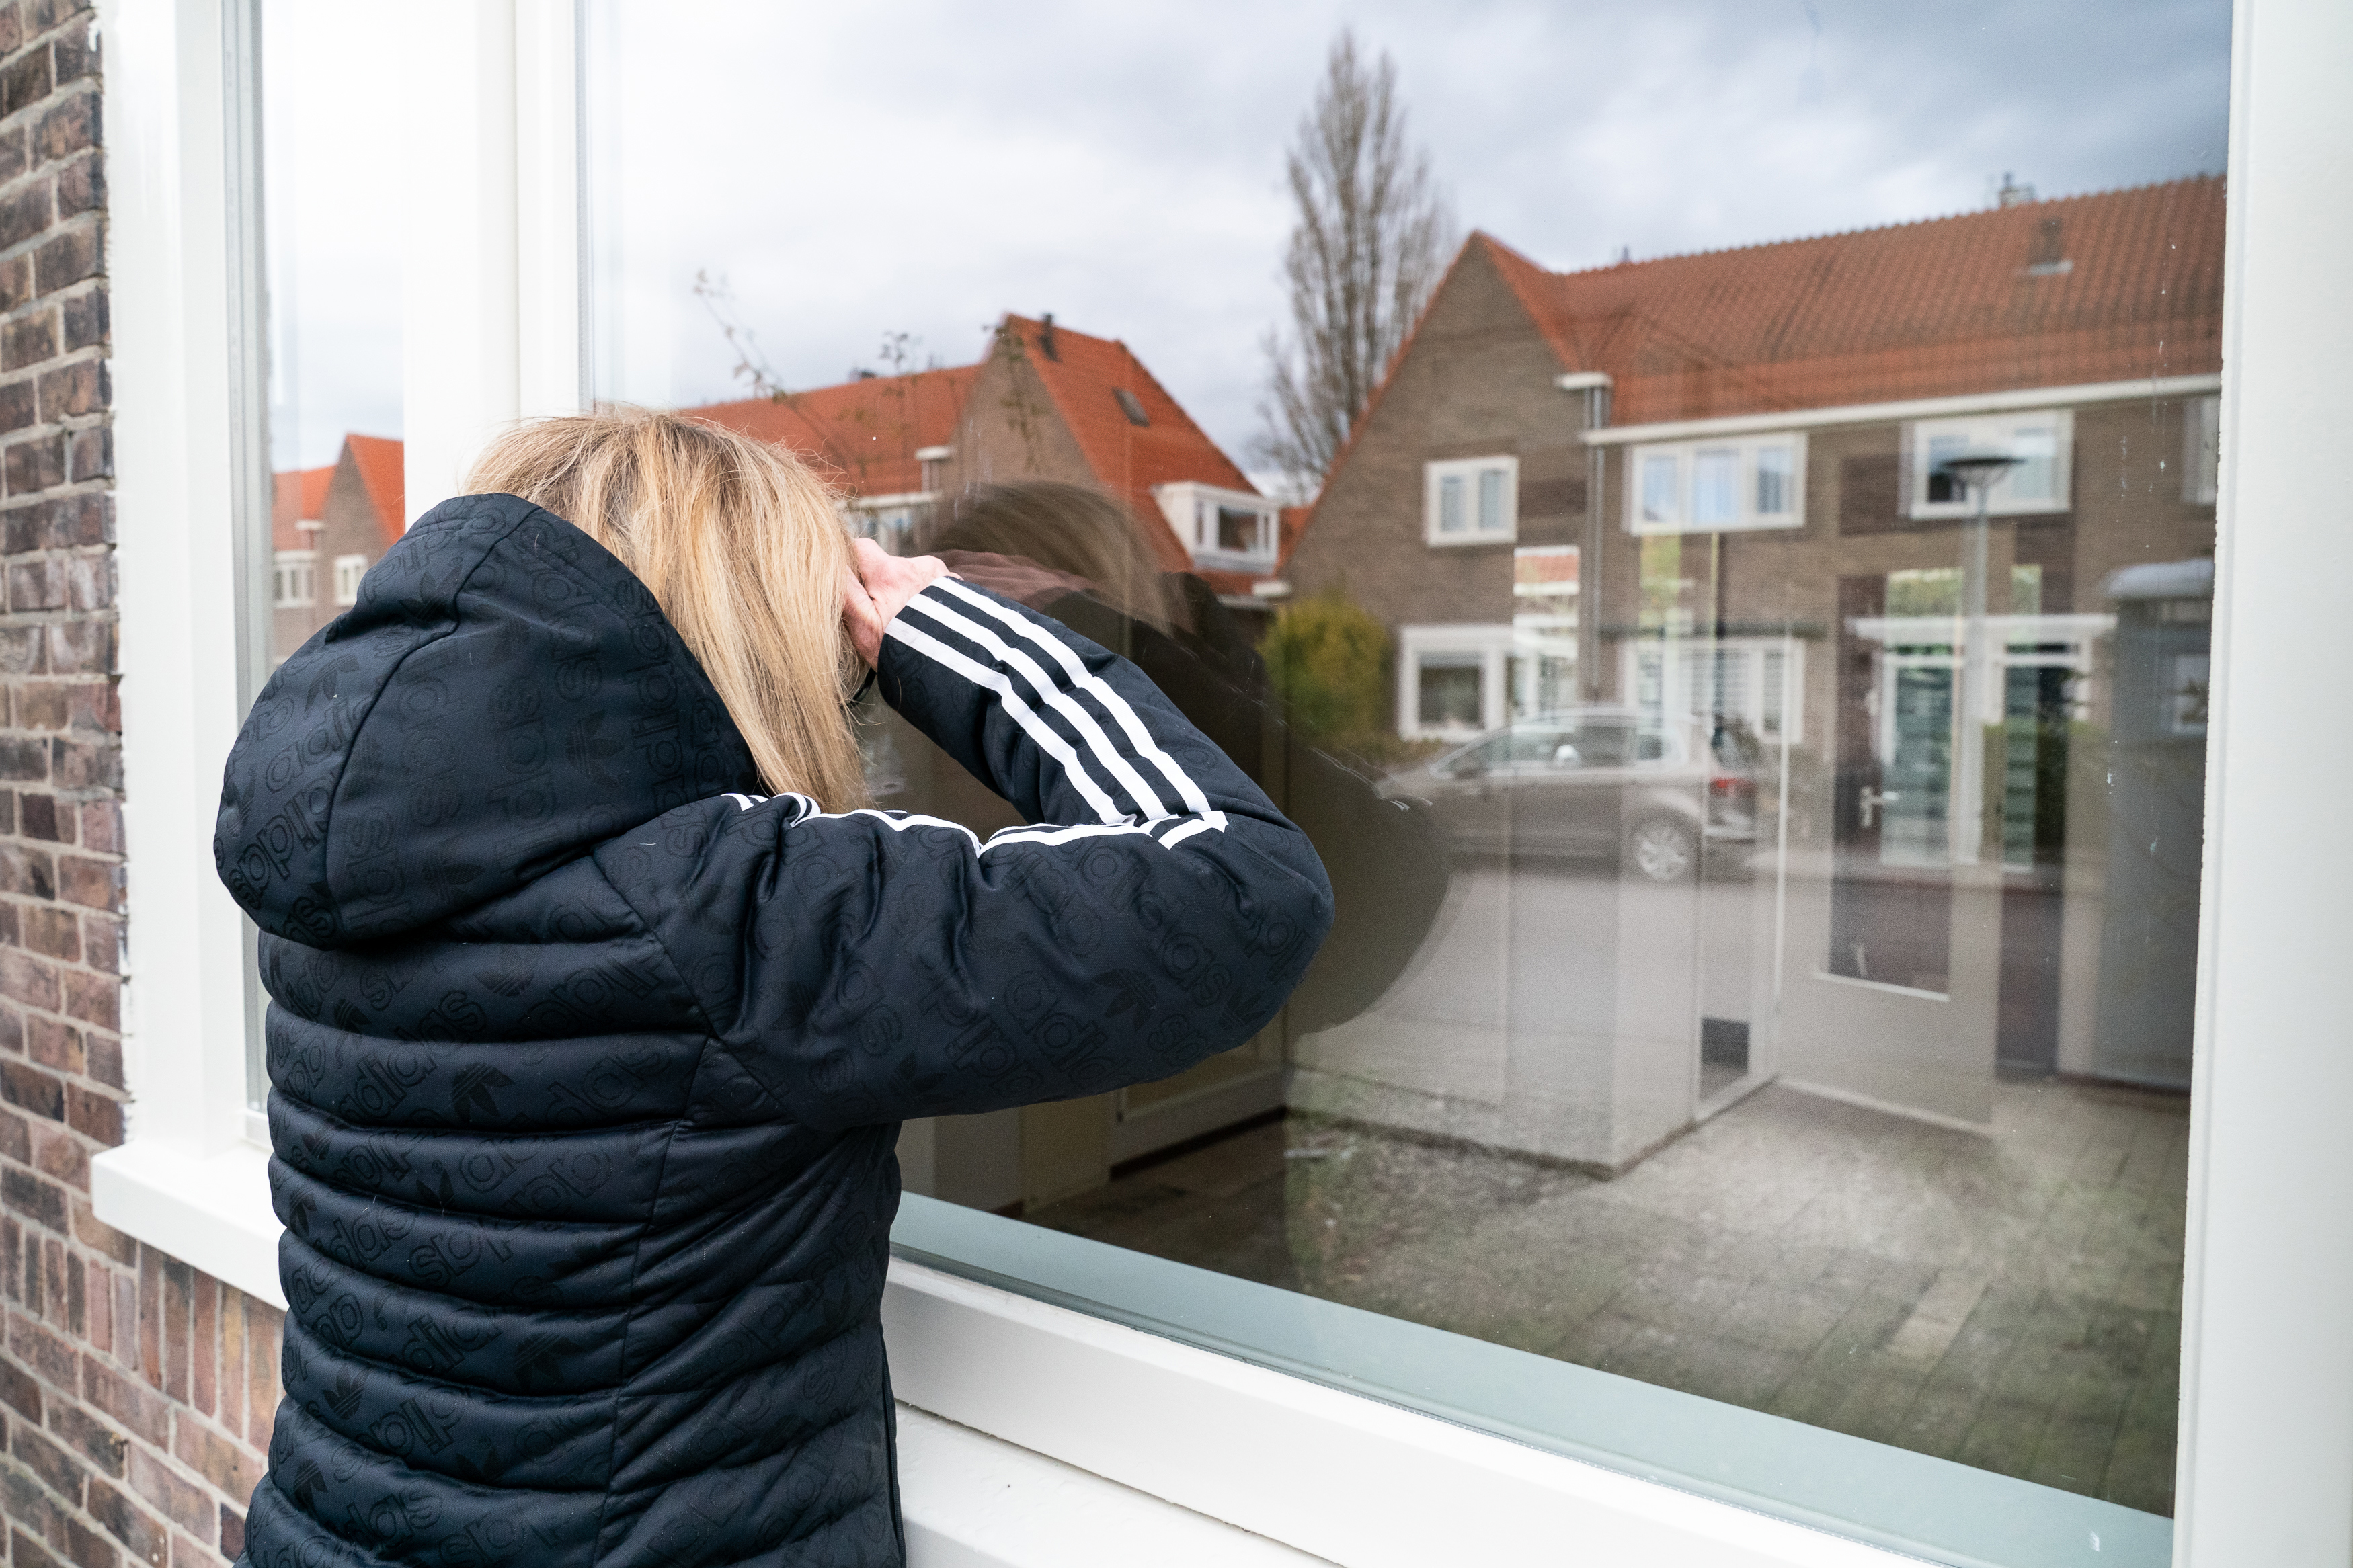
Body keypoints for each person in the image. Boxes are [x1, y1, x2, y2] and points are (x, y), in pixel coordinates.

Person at [213, 409, 1334, 1567]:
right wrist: (960, 637)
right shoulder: (737, 909)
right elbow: (1238, 887)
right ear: (757, 634)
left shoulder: (332, 880)